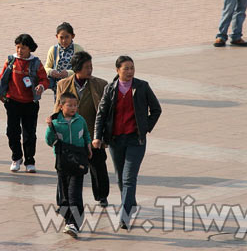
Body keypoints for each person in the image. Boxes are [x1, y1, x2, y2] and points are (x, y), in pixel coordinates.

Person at [93, 56, 161, 230]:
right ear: (117, 70)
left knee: (129, 177)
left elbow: (156, 109)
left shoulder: (142, 86)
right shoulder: (110, 89)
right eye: (126, 68)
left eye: (132, 68)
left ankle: (124, 216)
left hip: (135, 140)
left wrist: (145, 127)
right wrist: (97, 136)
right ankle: (130, 202)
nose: (130, 71)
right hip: (116, 140)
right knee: (121, 177)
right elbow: (101, 114)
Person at [51, 51, 110, 207]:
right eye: (86, 67)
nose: (90, 70)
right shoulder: (63, 85)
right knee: (66, 169)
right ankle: (63, 200)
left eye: (91, 66)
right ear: (77, 68)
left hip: (93, 133)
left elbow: (106, 111)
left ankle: (102, 195)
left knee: (98, 167)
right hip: (71, 136)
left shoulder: (100, 84)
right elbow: (58, 108)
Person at [0, 34, 48, 172]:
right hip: (12, 102)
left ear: (30, 48)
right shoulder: (11, 61)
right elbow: (3, 78)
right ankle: (16, 157)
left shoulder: (36, 63)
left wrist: (41, 87)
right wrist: (0, 93)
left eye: (23, 48)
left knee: (29, 133)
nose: (20, 50)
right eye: (18, 47)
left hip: (30, 103)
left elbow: (44, 80)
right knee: (12, 131)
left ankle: (30, 161)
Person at [45, 92, 92, 238]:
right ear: (61, 106)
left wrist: (89, 146)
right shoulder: (56, 122)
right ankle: (68, 220)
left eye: (75, 105)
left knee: (74, 194)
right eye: (69, 105)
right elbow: (49, 140)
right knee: (63, 195)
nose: (73, 108)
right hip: (62, 163)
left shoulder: (80, 120)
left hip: (78, 162)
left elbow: (86, 134)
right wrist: (49, 127)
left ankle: (74, 223)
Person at [44, 22, 85, 95]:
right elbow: (46, 67)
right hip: (59, 88)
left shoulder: (78, 49)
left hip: (75, 88)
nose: (64, 40)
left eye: (67, 37)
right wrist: (51, 72)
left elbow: (83, 70)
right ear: (57, 36)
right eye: (61, 37)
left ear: (72, 36)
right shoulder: (53, 50)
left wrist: (68, 73)